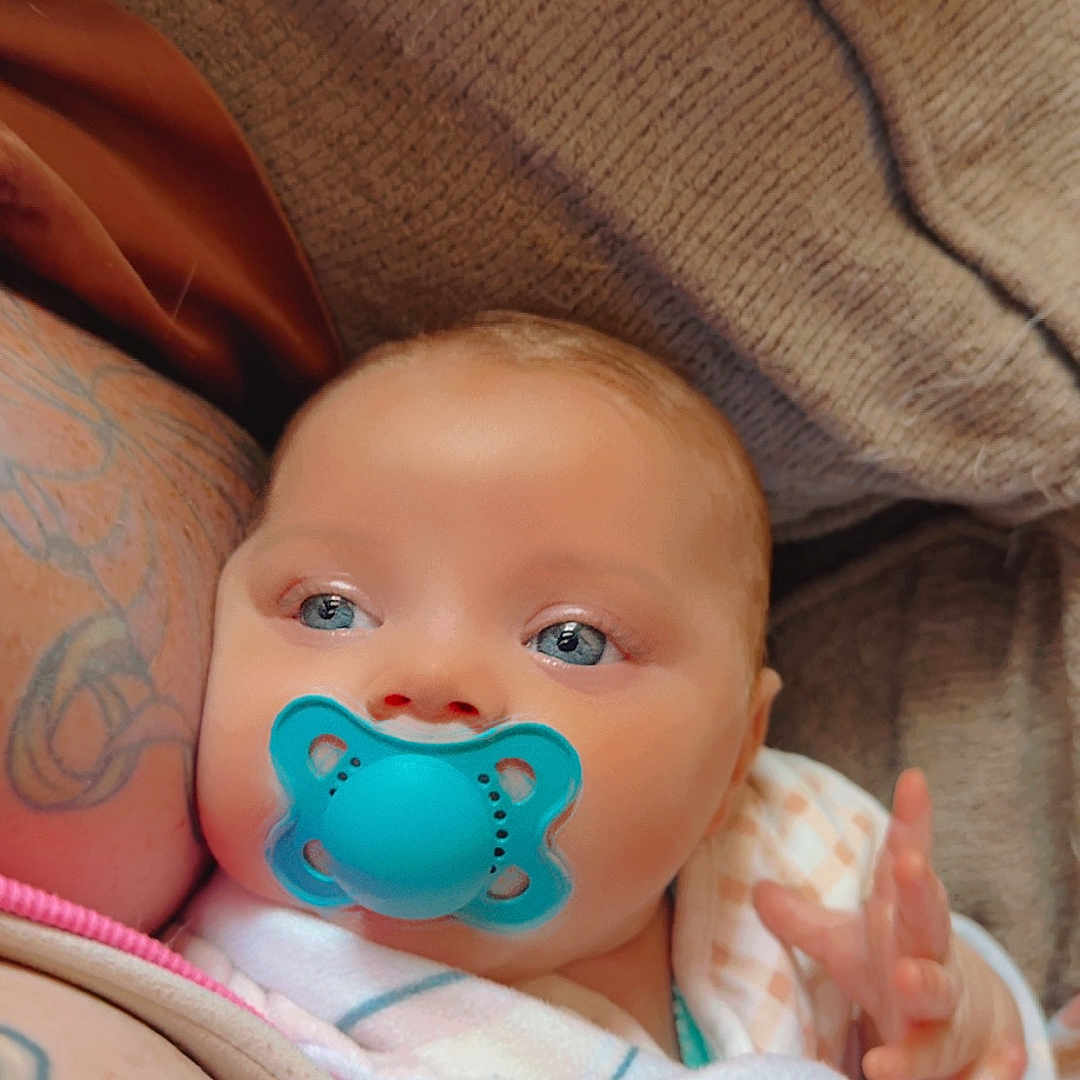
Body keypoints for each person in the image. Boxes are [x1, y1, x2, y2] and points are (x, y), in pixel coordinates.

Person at [172, 311, 1038, 1077]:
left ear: (737, 755)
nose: (431, 680)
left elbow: (993, 1036)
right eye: (330, 609)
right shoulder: (226, 1004)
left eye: (571, 641)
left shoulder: (792, 889)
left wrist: (952, 1032)